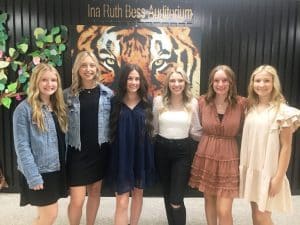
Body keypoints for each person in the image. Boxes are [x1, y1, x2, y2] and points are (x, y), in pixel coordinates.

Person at [239, 65, 300, 225]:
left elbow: (286, 147)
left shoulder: (283, 111)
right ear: (252, 83)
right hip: (252, 169)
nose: (261, 84)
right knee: (255, 214)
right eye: (257, 80)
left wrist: (278, 178)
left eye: (266, 80)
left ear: (274, 83)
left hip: (269, 171)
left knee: (262, 216)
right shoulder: (249, 108)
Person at [189, 65, 247, 225]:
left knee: (224, 209)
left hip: (229, 157)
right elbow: (195, 128)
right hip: (207, 154)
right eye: (216, 80)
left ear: (231, 82)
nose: (220, 84)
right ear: (211, 82)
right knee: (209, 199)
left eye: (224, 80)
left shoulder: (242, 104)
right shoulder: (202, 102)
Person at [12, 63, 68, 225]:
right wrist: (33, 176)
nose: (49, 84)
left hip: (55, 168)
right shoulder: (24, 110)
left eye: (53, 80)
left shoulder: (57, 106)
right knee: (50, 215)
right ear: (36, 81)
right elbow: (22, 147)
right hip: (40, 171)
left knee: (44, 214)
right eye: (44, 80)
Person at [64, 51, 113, 225]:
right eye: (84, 65)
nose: (88, 69)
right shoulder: (67, 95)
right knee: (77, 200)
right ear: (77, 68)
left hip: (99, 151)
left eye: (92, 65)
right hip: (76, 152)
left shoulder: (108, 94)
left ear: (97, 68)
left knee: (94, 193)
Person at [153, 65, 202, 225]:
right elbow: (154, 129)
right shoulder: (158, 101)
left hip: (182, 152)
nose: (176, 84)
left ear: (185, 83)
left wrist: (210, 138)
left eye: (180, 80)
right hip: (161, 149)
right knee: (167, 194)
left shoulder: (193, 103)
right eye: (172, 80)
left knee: (176, 198)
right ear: (167, 83)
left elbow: (196, 131)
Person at [108, 63, 155, 225]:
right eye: (130, 78)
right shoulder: (114, 101)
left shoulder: (148, 101)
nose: (134, 82)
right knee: (121, 201)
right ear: (124, 80)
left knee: (138, 195)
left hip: (141, 154)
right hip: (121, 155)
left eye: (137, 78)